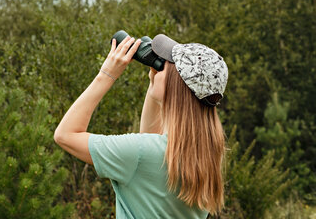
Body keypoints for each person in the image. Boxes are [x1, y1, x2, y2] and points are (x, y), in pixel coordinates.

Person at [54, 33, 228, 218]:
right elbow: (150, 139)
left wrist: (107, 74)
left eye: (166, 64)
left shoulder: (141, 154)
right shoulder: (206, 155)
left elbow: (65, 135)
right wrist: (155, 78)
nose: (159, 68)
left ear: (176, 84)